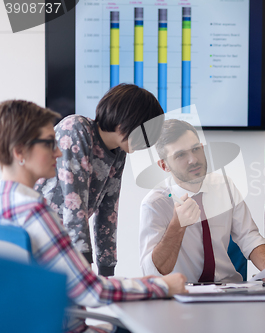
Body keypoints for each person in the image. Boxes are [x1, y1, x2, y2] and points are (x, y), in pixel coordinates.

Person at [0, 100, 186, 333]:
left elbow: (109, 211)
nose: (59, 151)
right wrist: (160, 286)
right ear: (19, 152)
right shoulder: (36, 212)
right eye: (50, 143)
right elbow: (90, 290)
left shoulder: (8, 203)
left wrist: (107, 269)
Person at [139, 119, 265, 283]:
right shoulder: (155, 204)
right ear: (164, 165)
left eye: (196, 149)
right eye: (180, 155)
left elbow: (249, 237)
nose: (193, 160)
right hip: (181, 293)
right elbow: (153, 272)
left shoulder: (224, 186)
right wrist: (177, 226)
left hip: (227, 289)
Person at [35, 84, 164, 276]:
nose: (145, 144)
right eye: (144, 133)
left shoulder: (119, 152)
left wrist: (107, 270)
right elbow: (74, 204)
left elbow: (108, 212)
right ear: (126, 121)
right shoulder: (76, 129)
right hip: (38, 234)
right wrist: (84, 266)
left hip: (63, 240)